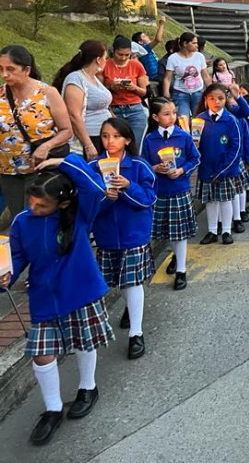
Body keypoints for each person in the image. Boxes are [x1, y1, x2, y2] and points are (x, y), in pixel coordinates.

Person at [1, 153, 111, 446]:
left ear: (61, 204)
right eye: (31, 202)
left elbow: (95, 187)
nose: (33, 208)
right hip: (44, 297)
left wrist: (63, 162)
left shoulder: (80, 212)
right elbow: (17, 257)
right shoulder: (23, 222)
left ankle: (88, 387)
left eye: (41, 205)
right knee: (41, 352)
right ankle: (52, 409)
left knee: (83, 342)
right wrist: (5, 278)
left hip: (81, 291)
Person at [89, 117, 156, 360]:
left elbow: (148, 199)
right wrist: (106, 197)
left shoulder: (139, 166)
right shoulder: (94, 166)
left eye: (116, 136)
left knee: (132, 281)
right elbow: (89, 206)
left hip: (133, 233)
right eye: (105, 136)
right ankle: (130, 309)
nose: (110, 141)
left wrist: (128, 187)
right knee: (118, 281)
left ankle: (136, 333)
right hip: (106, 235)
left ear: (127, 139)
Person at [0, 45, 72, 221]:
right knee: (19, 217)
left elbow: (67, 130)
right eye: (1, 69)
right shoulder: (1, 94)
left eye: (10, 69)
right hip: (8, 169)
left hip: (39, 167)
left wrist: (46, 146)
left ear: (26, 70)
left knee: (36, 215)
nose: (5, 74)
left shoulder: (47, 93)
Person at [141, 97, 200, 291]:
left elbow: (195, 158)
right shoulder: (150, 139)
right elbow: (142, 165)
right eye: (166, 114)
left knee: (179, 232)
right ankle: (176, 255)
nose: (172, 117)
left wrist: (182, 171)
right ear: (156, 117)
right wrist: (154, 168)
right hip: (160, 191)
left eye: (174, 112)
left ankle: (181, 270)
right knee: (167, 231)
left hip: (179, 188)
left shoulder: (183, 136)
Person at [194, 84, 244, 245]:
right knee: (210, 200)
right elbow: (194, 146)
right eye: (211, 99)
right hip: (207, 167)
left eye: (220, 98)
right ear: (205, 100)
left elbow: (235, 148)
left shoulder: (231, 120)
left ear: (226, 99)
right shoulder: (200, 119)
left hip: (225, 168)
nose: (216, 102)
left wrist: (223, 169)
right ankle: (212, 230)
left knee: (225, 200)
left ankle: (227, 231)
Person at [53, 40, 113, 160]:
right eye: (105, 57)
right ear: (98, 59)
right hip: (89, 136)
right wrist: (88, 145)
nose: (106, 61)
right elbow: (74, 115)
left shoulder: (94, 79)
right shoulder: (76, 79)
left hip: (103, 134)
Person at [103, 35, 149, 150]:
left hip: (135, 109)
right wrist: (111, 87)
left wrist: (134, 88)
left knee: (135, 146)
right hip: (114, 109)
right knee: (116, 146)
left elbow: (143, 92)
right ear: (113, 51)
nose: (123, 58)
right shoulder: (105, 65)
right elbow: (99, 89)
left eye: (127, 55)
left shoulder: (136, 65)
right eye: (120, 54)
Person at [163, 32, 212, 121]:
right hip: (180, 93)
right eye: (193, 43)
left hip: (198, 92)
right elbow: (167, 78)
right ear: (185, 44)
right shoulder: (173, 58)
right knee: (183, 120)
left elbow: (205, 75)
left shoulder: (199, 56)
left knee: (199, 119)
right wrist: (166, 93)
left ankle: (197, 135)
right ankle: (185, 135)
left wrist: (212, 89)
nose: (196, 45)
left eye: (196, 43)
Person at [131, 14, 166, 85]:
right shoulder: (143, 48)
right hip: (155, 75)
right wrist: (161, 24)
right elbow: (157, 39)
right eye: (144, 36)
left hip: (157, 74)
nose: (147, 36)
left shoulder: (146, 48)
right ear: (140, 42)